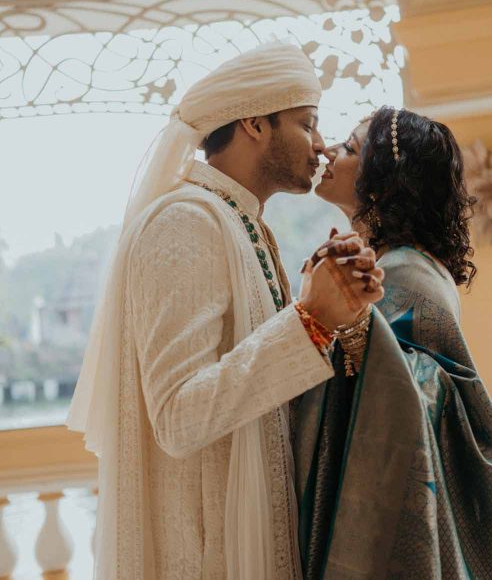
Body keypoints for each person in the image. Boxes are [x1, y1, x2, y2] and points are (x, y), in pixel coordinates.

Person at [66, 43, 385, 580]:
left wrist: (341, 311)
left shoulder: (242, 222)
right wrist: (309, 321)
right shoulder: (184, 223)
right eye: (307, 124)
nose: (322, 145)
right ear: (256, 124)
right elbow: (178, 417)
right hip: (209, 554)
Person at [293, 106, 492, 579]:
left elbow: (411, 397)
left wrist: (341, 326)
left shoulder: (403, 273)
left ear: (382, 183)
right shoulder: (386, 262)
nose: (330, 150)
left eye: (351, 149)